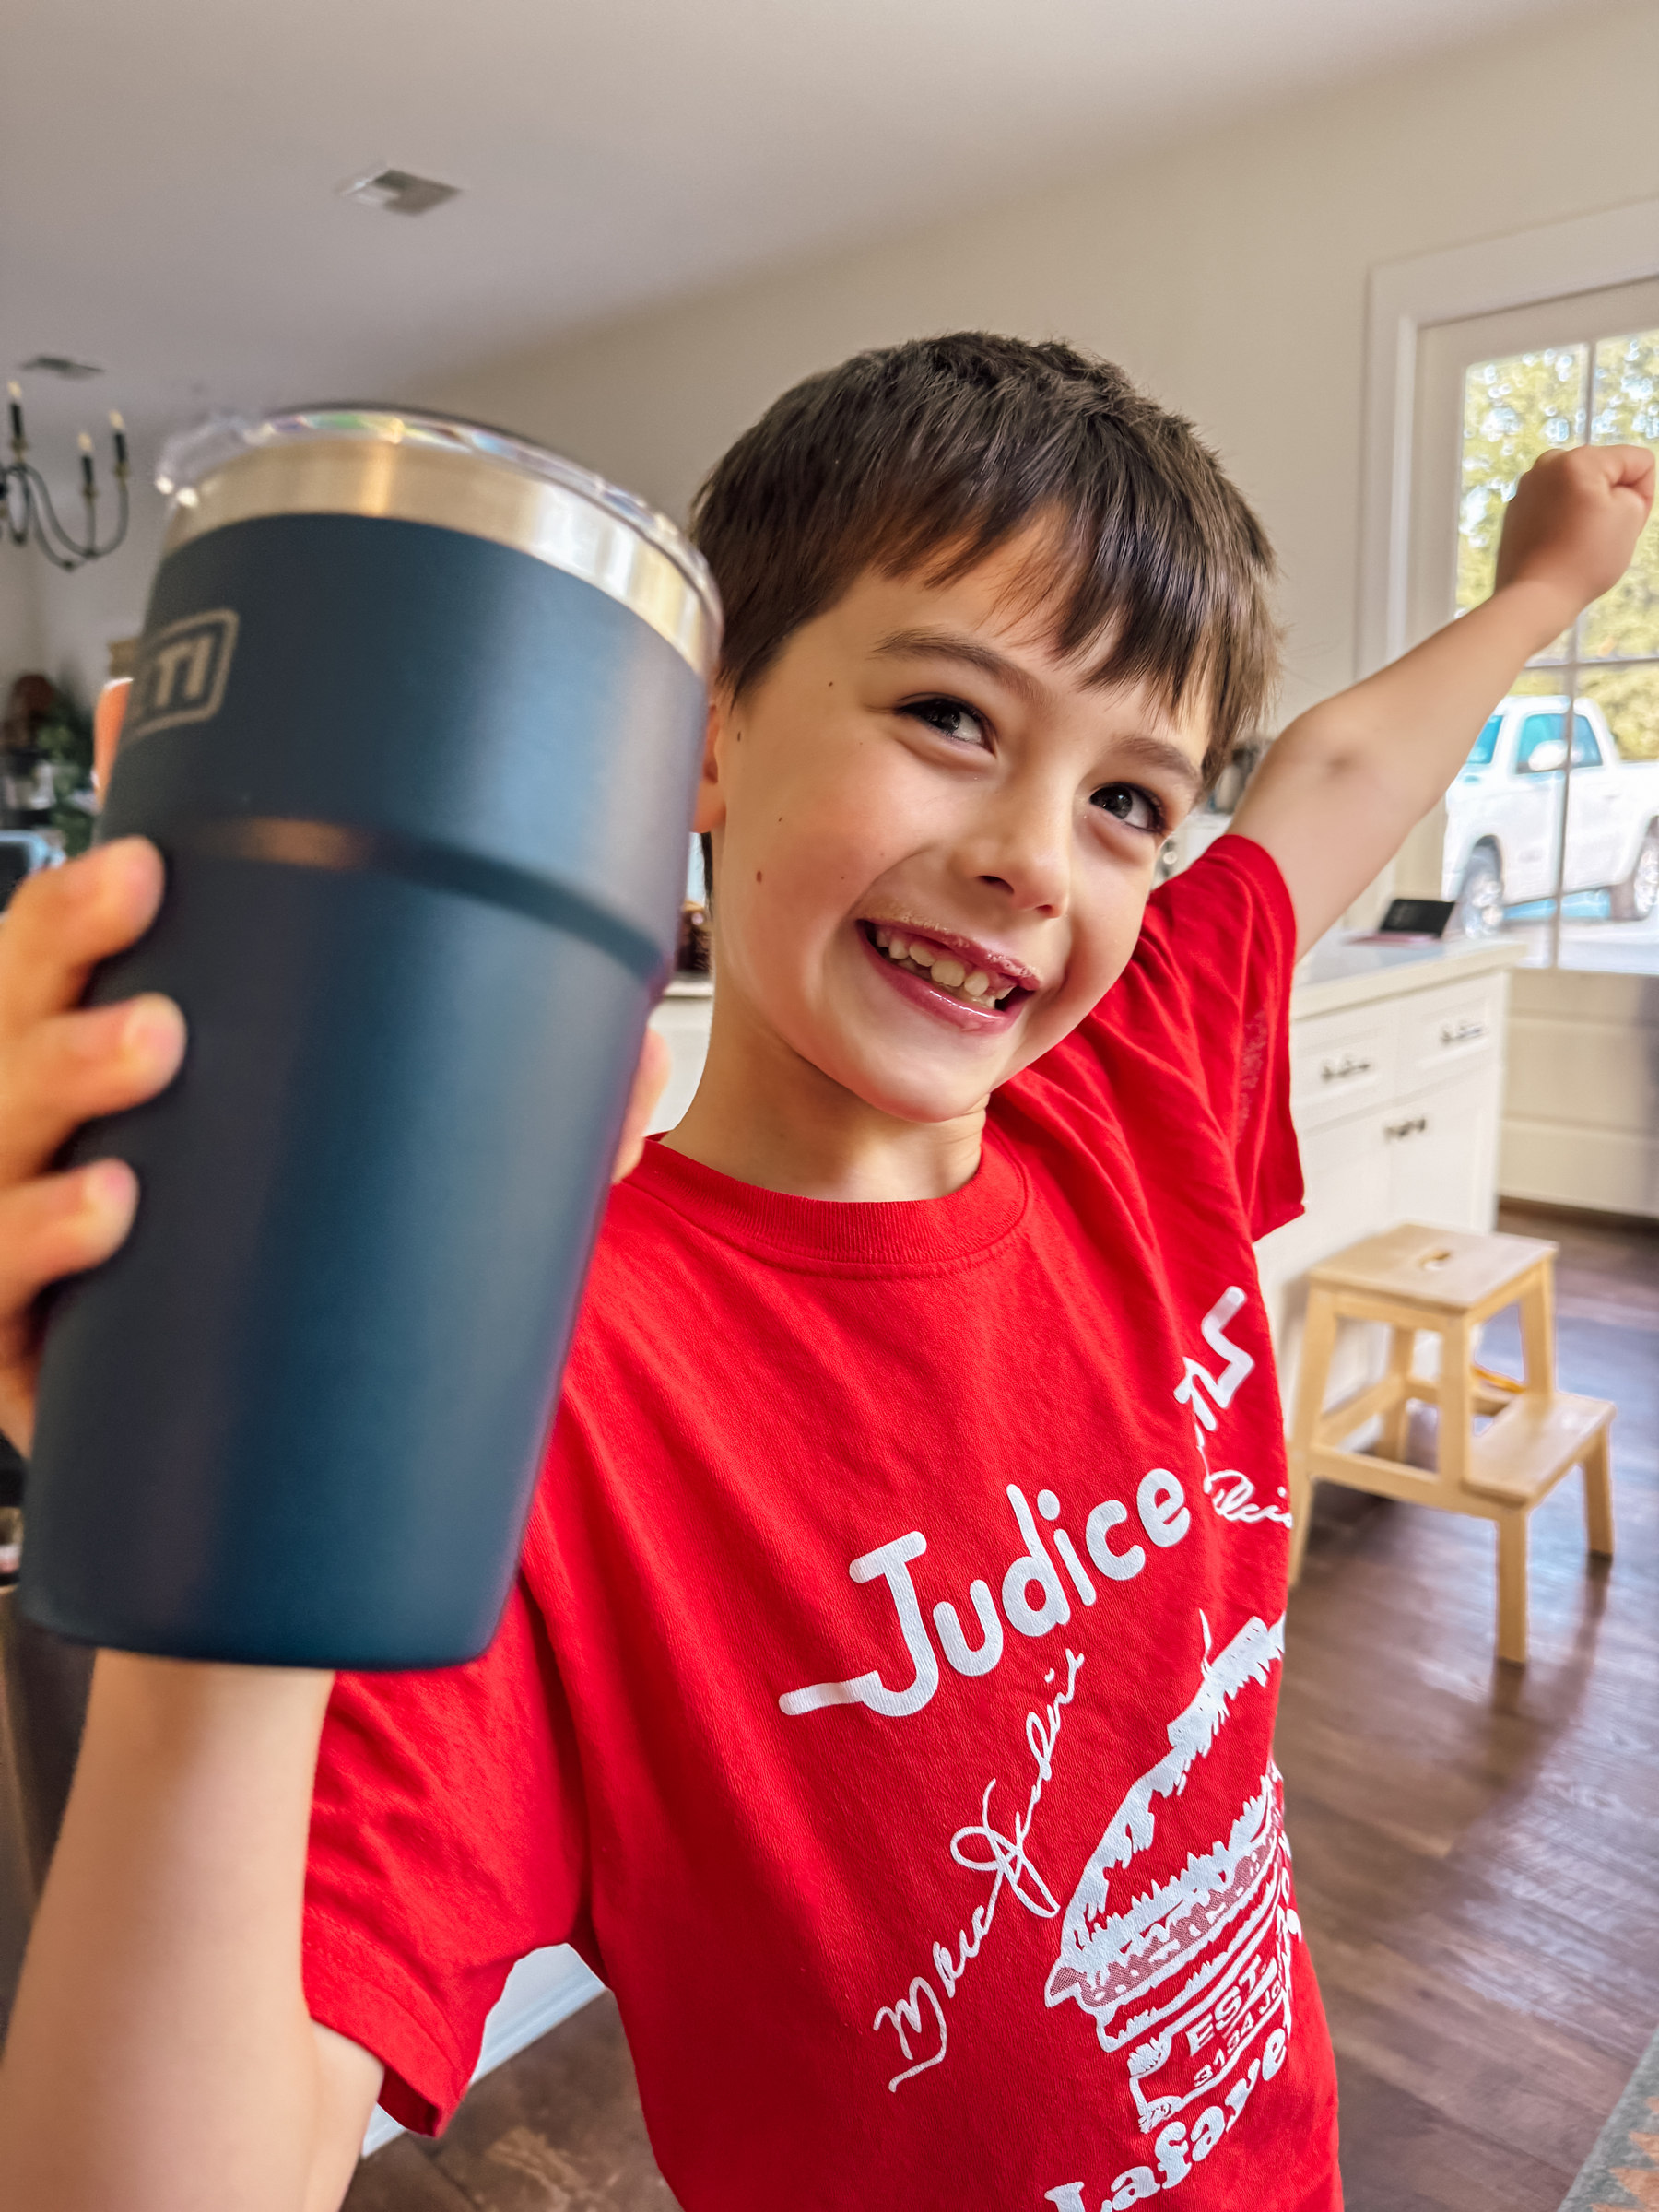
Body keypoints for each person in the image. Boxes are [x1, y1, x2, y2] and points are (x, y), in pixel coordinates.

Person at [0, 335, 1649, 2212]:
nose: (1041, 858)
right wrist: (216, 1537)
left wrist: (1544, 588)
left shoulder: (1135, 1086)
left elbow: (1341, 769)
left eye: (1129, 801)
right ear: (701, 735)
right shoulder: (527, 1394)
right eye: (952, 715)